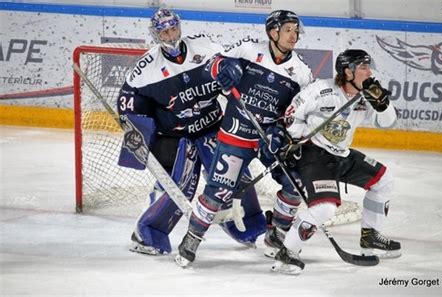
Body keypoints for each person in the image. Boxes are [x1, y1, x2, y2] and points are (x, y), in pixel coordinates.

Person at [116, 8, 266, 256]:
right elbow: (128, 100)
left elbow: (227, 65)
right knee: (178, 187)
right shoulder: (145, 68)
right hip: (176, 138)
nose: (170, 35)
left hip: (212, 128)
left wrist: (231, 72)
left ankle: (247, 227)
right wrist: (131, 123)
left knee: (236, 175)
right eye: (164, 31)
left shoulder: (204, 47)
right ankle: (147, 234)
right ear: (155, 34)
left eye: (173, 28)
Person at [175, 10, 313, 268]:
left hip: (269, 139)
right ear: (273, 33)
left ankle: (277, 235)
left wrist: (282, 132)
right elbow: (212, 65)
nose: (294, 35)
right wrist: (224, 67)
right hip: (235, 136)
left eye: (296, 30)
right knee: (218, 192)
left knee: (296, 184)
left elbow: (299, 114)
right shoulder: (248, 50)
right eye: (288, 30)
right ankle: (192, 238)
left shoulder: (301, 73)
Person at [270, 49, 401, 275]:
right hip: (314, 154)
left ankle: (370, 237)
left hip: (342, 154)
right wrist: (296, 140)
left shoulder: (366, 95)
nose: (369, 72)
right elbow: (292, 117)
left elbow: (389, 122)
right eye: (363, 67)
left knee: (384, 181)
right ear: (348, 72)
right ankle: (286, 253)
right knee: (324, 209)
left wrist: (382, 103)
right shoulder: (320, 90)